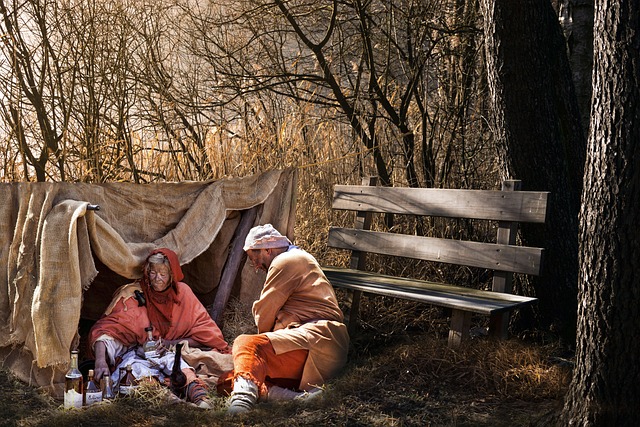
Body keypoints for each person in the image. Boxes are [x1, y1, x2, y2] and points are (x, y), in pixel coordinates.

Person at [222, 224, 349, 415]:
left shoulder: (286, 260)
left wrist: (257, 346)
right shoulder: (296, 258)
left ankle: (241, 405)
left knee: (245, 343)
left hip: (320, 340)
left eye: (254, 258)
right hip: (311, 346)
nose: (256, 266)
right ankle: (299, 400)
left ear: (267, 249)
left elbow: (265, 314)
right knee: (227, 379)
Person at [88, 247, 231, 407]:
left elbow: (206, 335)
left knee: (180, 367)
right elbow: (105, 332)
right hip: (134, 354)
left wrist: (170, 344)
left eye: (163, 274)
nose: (157, 279)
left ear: (172, 276)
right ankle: (175, 404)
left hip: (167, 352)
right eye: (153, 273)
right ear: (147, 272)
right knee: (137, 372)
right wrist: (100, 361)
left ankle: (202, 399)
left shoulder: (182, 294)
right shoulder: (132, 296)